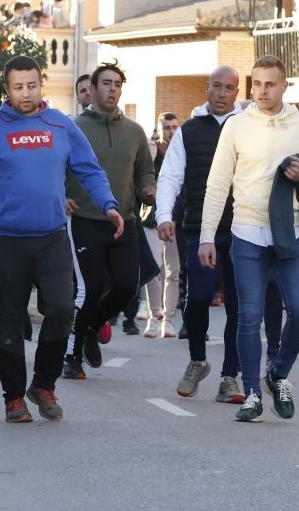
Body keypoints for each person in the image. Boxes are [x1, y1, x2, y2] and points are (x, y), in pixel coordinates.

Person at [0, 57, 122, 424]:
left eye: (32, 85)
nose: (26, 93)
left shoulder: (60, 125)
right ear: (7, 90)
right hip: (4, 241)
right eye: (18, 87)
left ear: (41, 84)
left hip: (51, 238)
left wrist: (108, 205)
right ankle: (14, 397)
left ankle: (44, 384)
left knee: (62, 309)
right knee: (8, 322)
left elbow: (88, 169)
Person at [196, 56, 299, 419]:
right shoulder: (237, 126)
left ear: (285, 86)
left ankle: (278, 374)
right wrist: (206, 237)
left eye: (269, 84)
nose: (261, 91)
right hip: (247, 234)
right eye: (256, 83)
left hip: (292, 236)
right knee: (248, 317)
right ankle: (254, 392)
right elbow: (216, 185)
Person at [156, 67, 247, 402]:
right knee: (197, 298)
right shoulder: (189, 130)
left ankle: (230, 378)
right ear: (207, 88)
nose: (222, 94)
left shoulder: (249, 128)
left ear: (237, 93)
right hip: (199, 228)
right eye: (217, 87)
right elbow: (170, 176)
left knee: (238, 305)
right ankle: (198, 359)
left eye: (229, 89)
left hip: (242, 229)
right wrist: (164, 215)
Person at [68, 62, 157, 372]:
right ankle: (73, 355)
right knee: (89, 289)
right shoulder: (75, 127)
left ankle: (91, 328)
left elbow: (145, 170)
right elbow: (57, 167)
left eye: (117, 84)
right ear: (92, 89)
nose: (112, 89)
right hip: (85, 218)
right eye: (106, 83)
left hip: (124, 219)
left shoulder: (134, 131)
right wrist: (61, 196)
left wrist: (148, 189)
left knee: (125, 286)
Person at [142, 113, 183, 338]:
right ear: (159, 129)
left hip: (177, 218)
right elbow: (143, 177)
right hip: (153, 217)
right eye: (166, 127)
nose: (171, 131)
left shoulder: (182, 151)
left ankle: (168, 319)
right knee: (152, 269)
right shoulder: (152, 151)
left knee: (173, 271)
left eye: (175, 127)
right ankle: (153, 316)